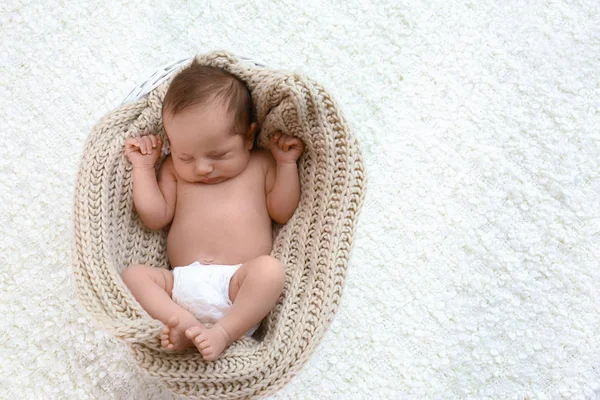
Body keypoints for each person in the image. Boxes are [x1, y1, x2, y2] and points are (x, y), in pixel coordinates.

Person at [121, 60, 304, 361]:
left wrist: (286, 164)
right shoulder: (173, 171)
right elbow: (155, 217)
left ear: (248, 137)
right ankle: (181, 323)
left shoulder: (260, 164)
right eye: (186, 156)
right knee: (134, 275)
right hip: (179, 283)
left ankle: (222, 333)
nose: (203, 168)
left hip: (237, 286)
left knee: (270, 271)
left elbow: (282, 211)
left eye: (218, 155)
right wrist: (143, 168)